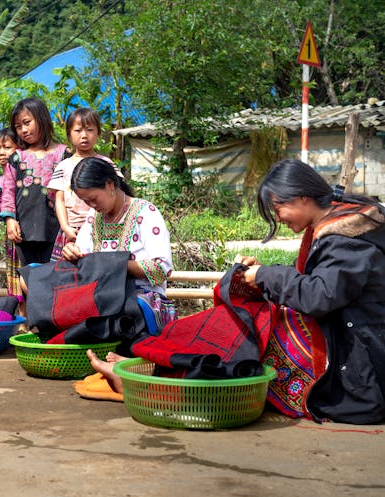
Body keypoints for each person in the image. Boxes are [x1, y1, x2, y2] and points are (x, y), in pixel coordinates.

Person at [89, 159, 385, 425]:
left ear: (302, 198)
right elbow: (324, 285)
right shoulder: (340, 226)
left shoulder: (348, 239)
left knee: (240, 334)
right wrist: (263, 273)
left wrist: (267, 276)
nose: (278, 217)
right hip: (340, 336)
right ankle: (153, 361)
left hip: (354, 362)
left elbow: (319, 295)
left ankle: (152, 375)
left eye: (278, 208)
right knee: (231, 325)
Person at [20, 156, 175, 347]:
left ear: (110, 185)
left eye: (93, 199)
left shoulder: (146, 213)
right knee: (30, 278)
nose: (91, 206)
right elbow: (85, 258)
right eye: (86, 201)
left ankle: (73, 336)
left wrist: (116, 266)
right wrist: (72, 251)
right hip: (97, 292)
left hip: (135, 295)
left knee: (116, 312)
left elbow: (162, 268)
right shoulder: (95, 217)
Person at [0, 97, 68, 267]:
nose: (23, 130)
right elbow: (8, 191)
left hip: (55, 229)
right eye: (18, 126)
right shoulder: (17, 157)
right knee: (29, 278)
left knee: (53, 278)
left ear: (42, 118)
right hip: (23, 231)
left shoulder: (63, 154)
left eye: (27, 122)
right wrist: (10, 220)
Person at [47, 108, 113, 260]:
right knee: (68, 275)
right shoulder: (63, 166)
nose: (84, 135)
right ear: (69, 134)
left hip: (102, 228)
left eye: (89, 130)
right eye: (78, 130)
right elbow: (60, 200)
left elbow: (117, 193)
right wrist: (65, 227)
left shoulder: (106, 164)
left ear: (98, 133)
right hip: (72, 230)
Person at [0, 128, 24, 302]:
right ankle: (22, 318)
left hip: (30, 231)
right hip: (12, 236)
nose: (2, 152)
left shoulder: (26, 175)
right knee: (14, 276)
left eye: (7, 147)